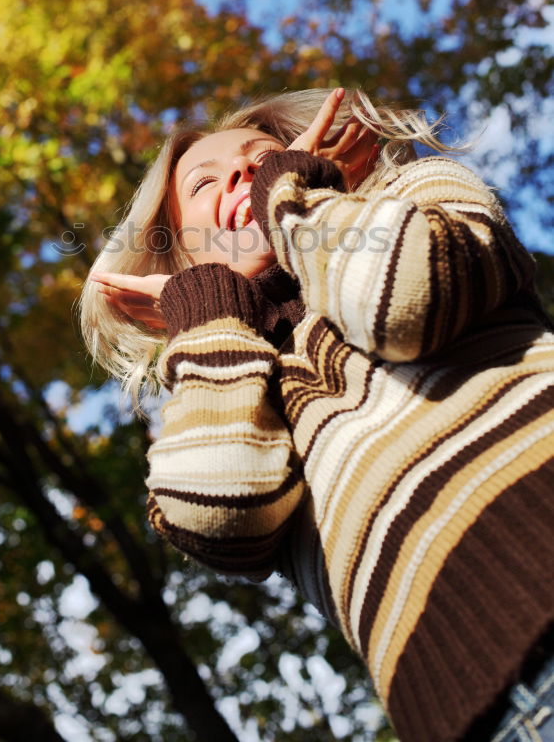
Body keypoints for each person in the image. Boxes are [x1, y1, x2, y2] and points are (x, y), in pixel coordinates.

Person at [80, 87, 554, 742]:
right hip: (481, 714)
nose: (244, 175)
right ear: (184, 255)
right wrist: (212, 316)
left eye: (261, 159)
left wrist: (293, 199)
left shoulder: (422, 198)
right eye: (205, 183)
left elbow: (405, 300)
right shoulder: (227, 385)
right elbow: (217, 513)